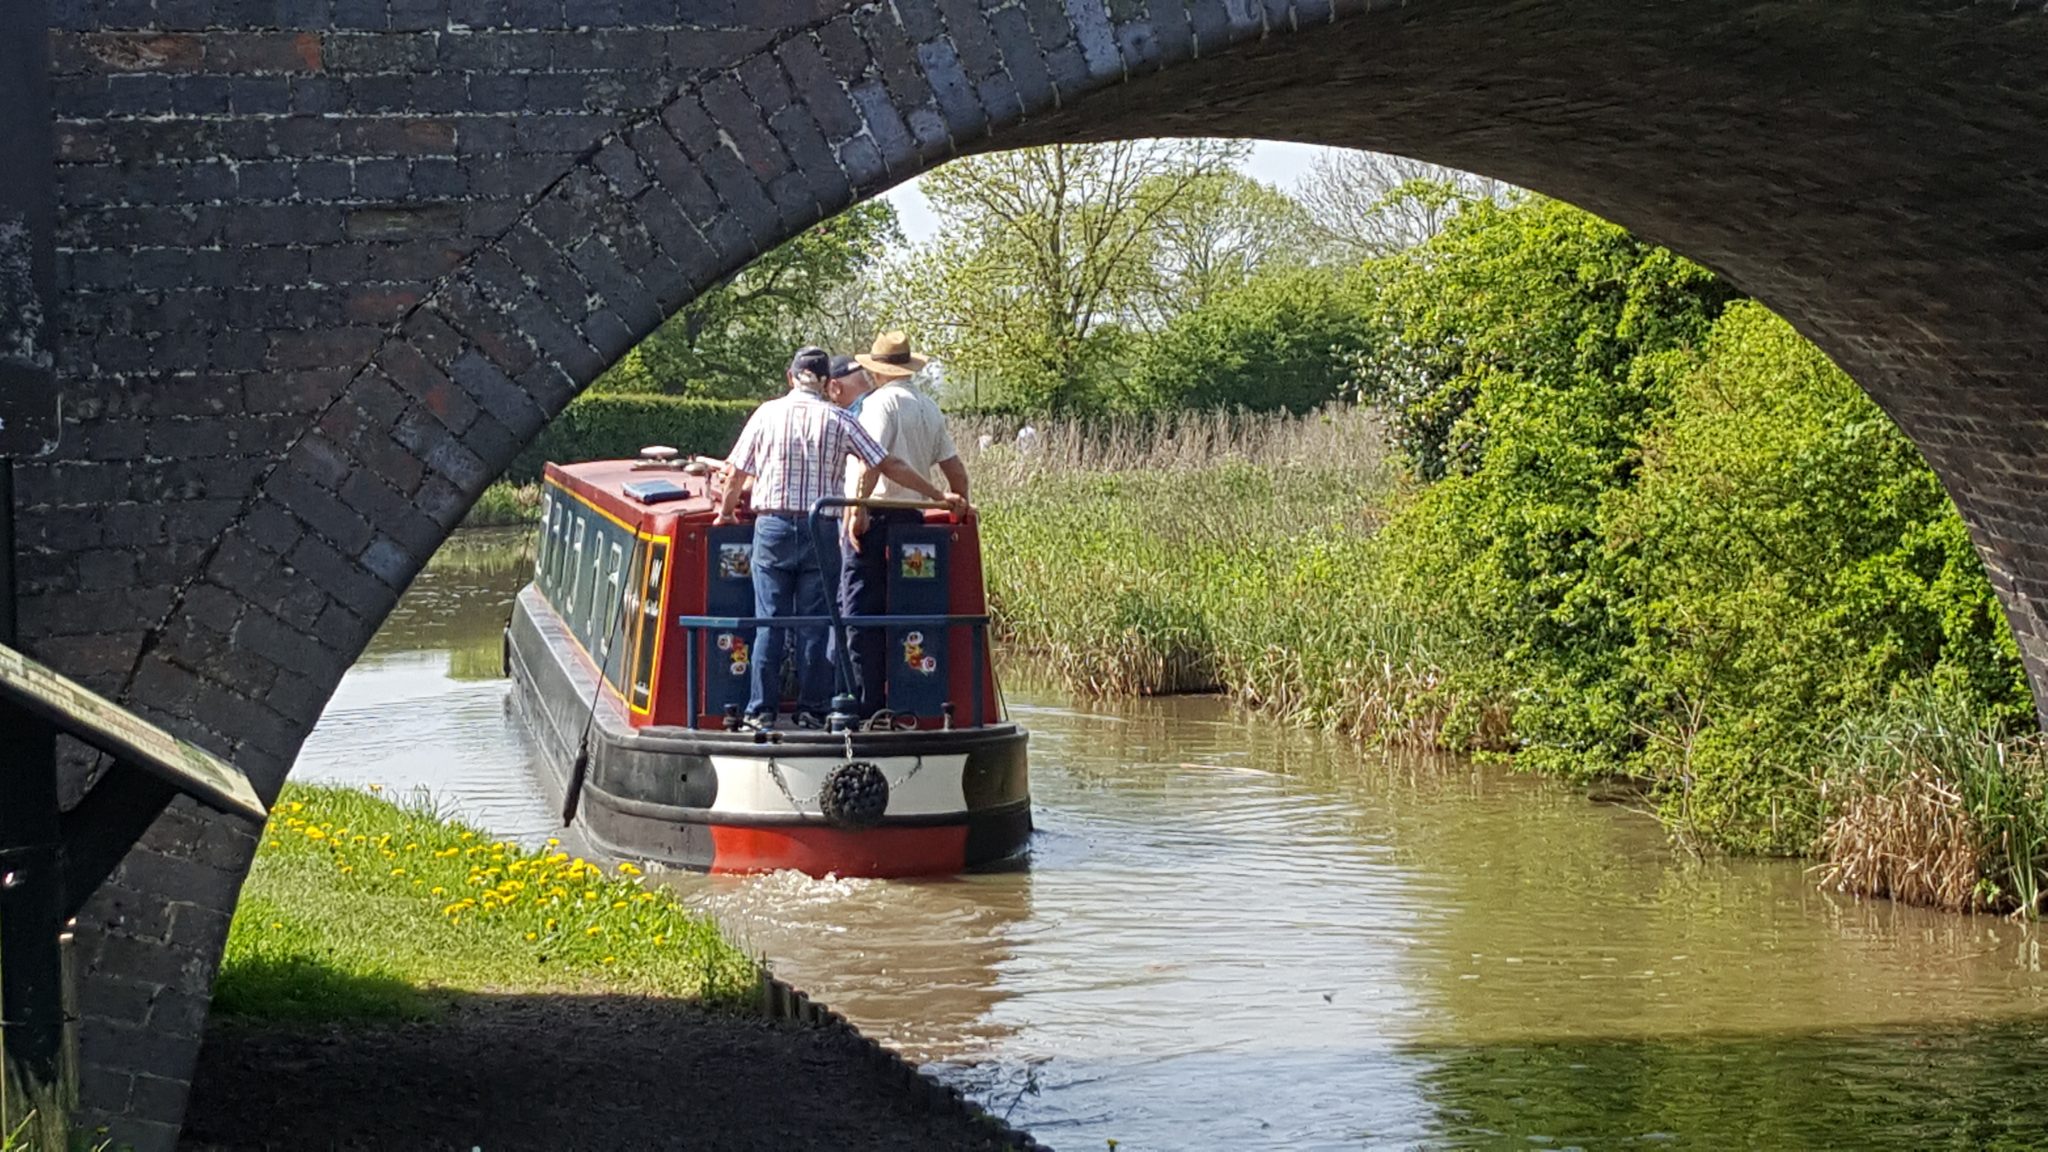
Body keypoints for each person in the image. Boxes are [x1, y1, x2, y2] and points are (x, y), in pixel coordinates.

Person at [716, 346, 963, 727]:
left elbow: (734, 473)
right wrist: (937, 496)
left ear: (790, 377)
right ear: (828, 383)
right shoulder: (839, 419)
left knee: (771, 621)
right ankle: (811, 711)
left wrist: (726, 512)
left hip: (773, 528)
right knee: (816, 623)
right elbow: (886, 463)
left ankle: (760, 711)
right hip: (821, 529)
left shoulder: (766, 414)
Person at [832, 331, 971, 720]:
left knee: (860, 613)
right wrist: (960, 505)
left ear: (876, 371)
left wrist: (856, 511)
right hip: (914, 523)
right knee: (909, 611)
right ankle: (911, 700)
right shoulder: (928, 407)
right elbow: (954, 468)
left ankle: (866, 703)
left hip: (877, 519)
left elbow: (870, 460)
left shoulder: (879, 405)